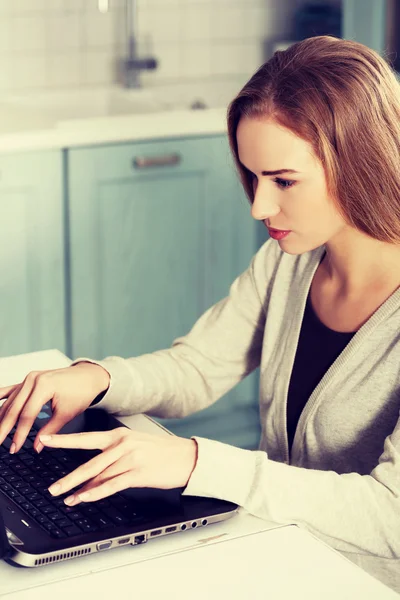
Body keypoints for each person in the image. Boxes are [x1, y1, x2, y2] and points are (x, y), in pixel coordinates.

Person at [0, 35, 399, 592]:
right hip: (283, 549)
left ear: (360, 161)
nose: (260, 207)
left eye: (284, 181)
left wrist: (195, 463)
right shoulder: (290, 262)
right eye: (252, 176)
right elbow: (197, 367)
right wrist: (96, 379)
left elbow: (391, 518)